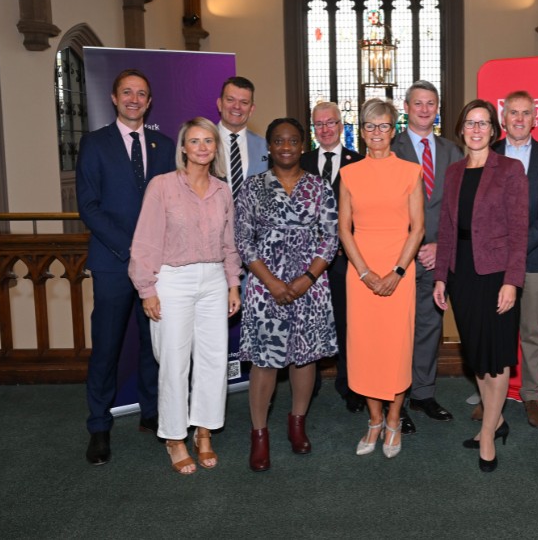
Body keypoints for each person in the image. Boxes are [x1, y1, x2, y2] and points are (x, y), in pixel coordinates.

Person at [128, 117, 242, 475]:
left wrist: (233, 283)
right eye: (195, 141)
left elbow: (229, 243)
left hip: (213, 281)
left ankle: (204, 431)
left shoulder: (223, 190)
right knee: (174, 362)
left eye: (208, 140)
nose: (202, 147)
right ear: (183, 148)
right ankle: (175, 438)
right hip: (172, 280)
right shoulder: (162, 187)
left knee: (213, 360)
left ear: (215, 147)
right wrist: (147, 289)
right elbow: (145, 241)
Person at [77, 68, 176, 466]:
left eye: (142, 94)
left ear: (149, 102)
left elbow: (175, 203)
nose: (134, 99)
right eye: (127, 93)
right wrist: (130, 249)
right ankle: (99, 427)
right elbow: (89, 206)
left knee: (154, 345)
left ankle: (151, 413)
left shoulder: (165, 145)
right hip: (113, 263)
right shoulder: (94, 144)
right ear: (115, 99)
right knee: (106, 347)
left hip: (160, 267)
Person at [235, 118, 340, 472]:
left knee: (304, 356)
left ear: (302, 145)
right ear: (269, 146)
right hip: (266, 286)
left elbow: (330, 238)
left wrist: (306, 279)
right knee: (264, 361)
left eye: (292, 140)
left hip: (310, 284)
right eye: (278, 140)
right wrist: (273, 283)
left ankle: (297, 423)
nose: (285, 146)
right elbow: (243, 240)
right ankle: (259, 434)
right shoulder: (252, 188)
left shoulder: (320, 187)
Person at [432, 100, 528, 473]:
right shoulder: (454, 172)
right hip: (463, 275)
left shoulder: (510, 169)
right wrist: (441, 275)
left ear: (494, 129)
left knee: (496, 355)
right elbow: (445, 228)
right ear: (461, 129)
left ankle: (488, 432)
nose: (476, 129)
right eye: (470, 122)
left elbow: (520, 232)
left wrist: (512, 282)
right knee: (478, 356)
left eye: (483, 123)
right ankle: (496, 419)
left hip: (496, 274)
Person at [339, 98, 425, 459]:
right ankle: (373, 420)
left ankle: (393, 419)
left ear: (394, 130)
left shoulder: (410, 171)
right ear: (361, 131)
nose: (377, 133)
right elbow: (344, 229)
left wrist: (397, 272)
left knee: (396, 347)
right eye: (370, 127)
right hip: (360, 274)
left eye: (384, 126)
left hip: (399, 273)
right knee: (365, 348)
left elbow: (418, 228)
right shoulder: (348, 173)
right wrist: (364, 272)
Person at [390, 80, 463, 433]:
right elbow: (385, 207)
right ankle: (396, 400)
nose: (424, 109)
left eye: (430, 103)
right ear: (406, 107)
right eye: (417, 103)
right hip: (400, 256)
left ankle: (423, 393)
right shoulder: (389, 148)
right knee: (398, 330)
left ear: (437, 108)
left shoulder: (453, 152)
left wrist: (440, 247)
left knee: (430, 327)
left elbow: (458, 207)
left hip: (439, 256)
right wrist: (413, 245)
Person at [492, 91, 538, 428]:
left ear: (535, 118)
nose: (519, 119)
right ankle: (495, 398)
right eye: (513, 113)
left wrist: (519, 246)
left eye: (526, 113)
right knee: (497, 330)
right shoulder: (488, 154)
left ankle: (532, 395)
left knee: (531, 329)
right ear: (503, 119)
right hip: (493, 262)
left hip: (532, 260)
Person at [301, 102, 365, 414]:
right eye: (319, 124)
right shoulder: (301, 162)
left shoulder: (359, 162)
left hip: (345, 260)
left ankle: (349, 383)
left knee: (346, 323)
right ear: (313, 129)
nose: (325, 129)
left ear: (341, 126)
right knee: (310, 321)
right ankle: (307, 383)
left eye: (331, 123)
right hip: (307, 261)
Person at [217, 75, 269, 199]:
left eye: (244, 102)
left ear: (251, 109)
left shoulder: (264, 146)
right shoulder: (203, 144)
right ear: (219, 104)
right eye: (230, 100)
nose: (237, 106)